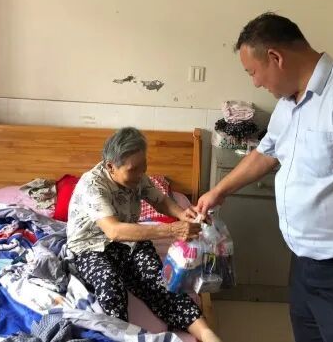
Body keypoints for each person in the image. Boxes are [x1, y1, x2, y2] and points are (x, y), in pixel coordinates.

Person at [196, 13, 333, 342]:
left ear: (275, 57)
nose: (256, 83)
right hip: (304, 265)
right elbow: (266, 153)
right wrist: (219, 191)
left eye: (253, 72)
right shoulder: (288, 104)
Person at [67, 127, 221, 342]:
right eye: (134, 169)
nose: (140, 174)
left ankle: (206, 333)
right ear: (111, 166)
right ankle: (121, 338)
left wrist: (182, 214)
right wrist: (171, 229)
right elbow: (114, 230)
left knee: (159, 282)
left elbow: (160, 200)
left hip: (129, 240)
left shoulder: (138, 177)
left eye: (144, 166)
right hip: (91, 246)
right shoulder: (93, 185)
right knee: (110, 286)